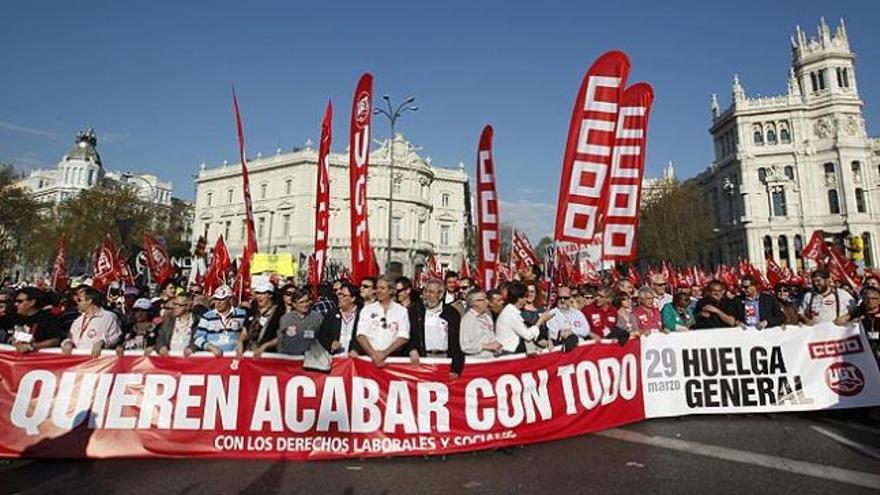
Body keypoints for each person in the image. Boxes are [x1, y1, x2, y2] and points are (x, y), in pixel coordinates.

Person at [408, 279, 465, 378]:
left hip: (444, 358)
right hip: (422, 359)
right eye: (426, 291)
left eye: (431, 292)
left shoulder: (451, 313)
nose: (427, 295)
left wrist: (456, 368)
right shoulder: (414, 311)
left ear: (440, 294)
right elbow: (408, 334)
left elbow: (457, 342)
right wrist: (412, 349)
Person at [356, 276, 410, 367]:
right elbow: (361, 335)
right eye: (377, 288)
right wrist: (374, 355)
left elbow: (403, 336)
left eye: (382, 288)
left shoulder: (401, 311)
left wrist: (384, 354)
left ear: (391, 291)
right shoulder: (367, 310)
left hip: (392, 360)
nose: (379, 291)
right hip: (369, 359)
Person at [495, 281, 554, 354]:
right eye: (525, 296)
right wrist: (540, 321)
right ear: (519, 298)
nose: (527, 299)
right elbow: (527, 336)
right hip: (508, 354)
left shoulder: (514, 312)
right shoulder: (510, 314)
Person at [62, 287, 122, 357]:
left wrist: (102, 343)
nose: (76, 302)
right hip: (77, 362)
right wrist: (67, 342)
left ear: (89, 300)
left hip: (98, 362)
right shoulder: (78, 320)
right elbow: (70, 337)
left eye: (79, 300)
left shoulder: (109, 317)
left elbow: (117, 338)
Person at [192, 285, 248, 357]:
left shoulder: (242, 314)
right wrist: (211, 347)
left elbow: (248, 334)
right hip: (213, 360)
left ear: (230, 299)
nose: (217, 303)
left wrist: (241, 342)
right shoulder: (207, 316)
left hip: (235, 359)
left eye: (221, 299)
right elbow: (198, 338)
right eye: (216, 299)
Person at [835, 285, 880, 369]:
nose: (870, 301)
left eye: (874, 298)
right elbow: (839, 321)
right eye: (867, 298)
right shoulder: (859, 312)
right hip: (865, 350)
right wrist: (852, 318)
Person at [9, 287, 63, 353]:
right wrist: (11, 340)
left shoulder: (48, 318)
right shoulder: (17, 317)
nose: (16, 304)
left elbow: (55, 340)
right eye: (16, 301)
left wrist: (31, 346)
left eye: (20, 301)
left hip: (37, 360)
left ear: (32, 302)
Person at [318, 281, 361, 355]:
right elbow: (322, 335)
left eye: (343, 295)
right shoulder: (332, 314)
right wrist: (330, 344)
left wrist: (357, 349)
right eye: (339, 295)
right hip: (335, 360)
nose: (339, 297)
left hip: (353, 361)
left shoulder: (361, 315)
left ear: (353, 298)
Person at [277, 288, 324, 356]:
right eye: (301, 302)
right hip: (291, 360)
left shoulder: (317, 318)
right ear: (294, 304)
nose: (305, 305)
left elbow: (323, 339)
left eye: (306, 301)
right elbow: (280, 341)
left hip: (311, 360)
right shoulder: (285, 319)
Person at [244, 281, 283, 356]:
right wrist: (239, 342)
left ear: (270, 295)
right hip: (249, 354)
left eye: (262, 293)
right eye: (257, 293)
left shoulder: (279, 313)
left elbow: (282, 337)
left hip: (268, 356)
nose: (259, 296)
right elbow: (244, 331)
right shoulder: (252, 311)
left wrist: (265, 346)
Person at [459, 290, 501, 357]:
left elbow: (492, 336)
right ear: (474, 303)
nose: (487, 302)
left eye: (486, 299)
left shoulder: (487, 317)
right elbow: (464, 346)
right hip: (477, 362)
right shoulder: (467, 320)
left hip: (492, 359)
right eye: (483, 299)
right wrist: (484, 346)